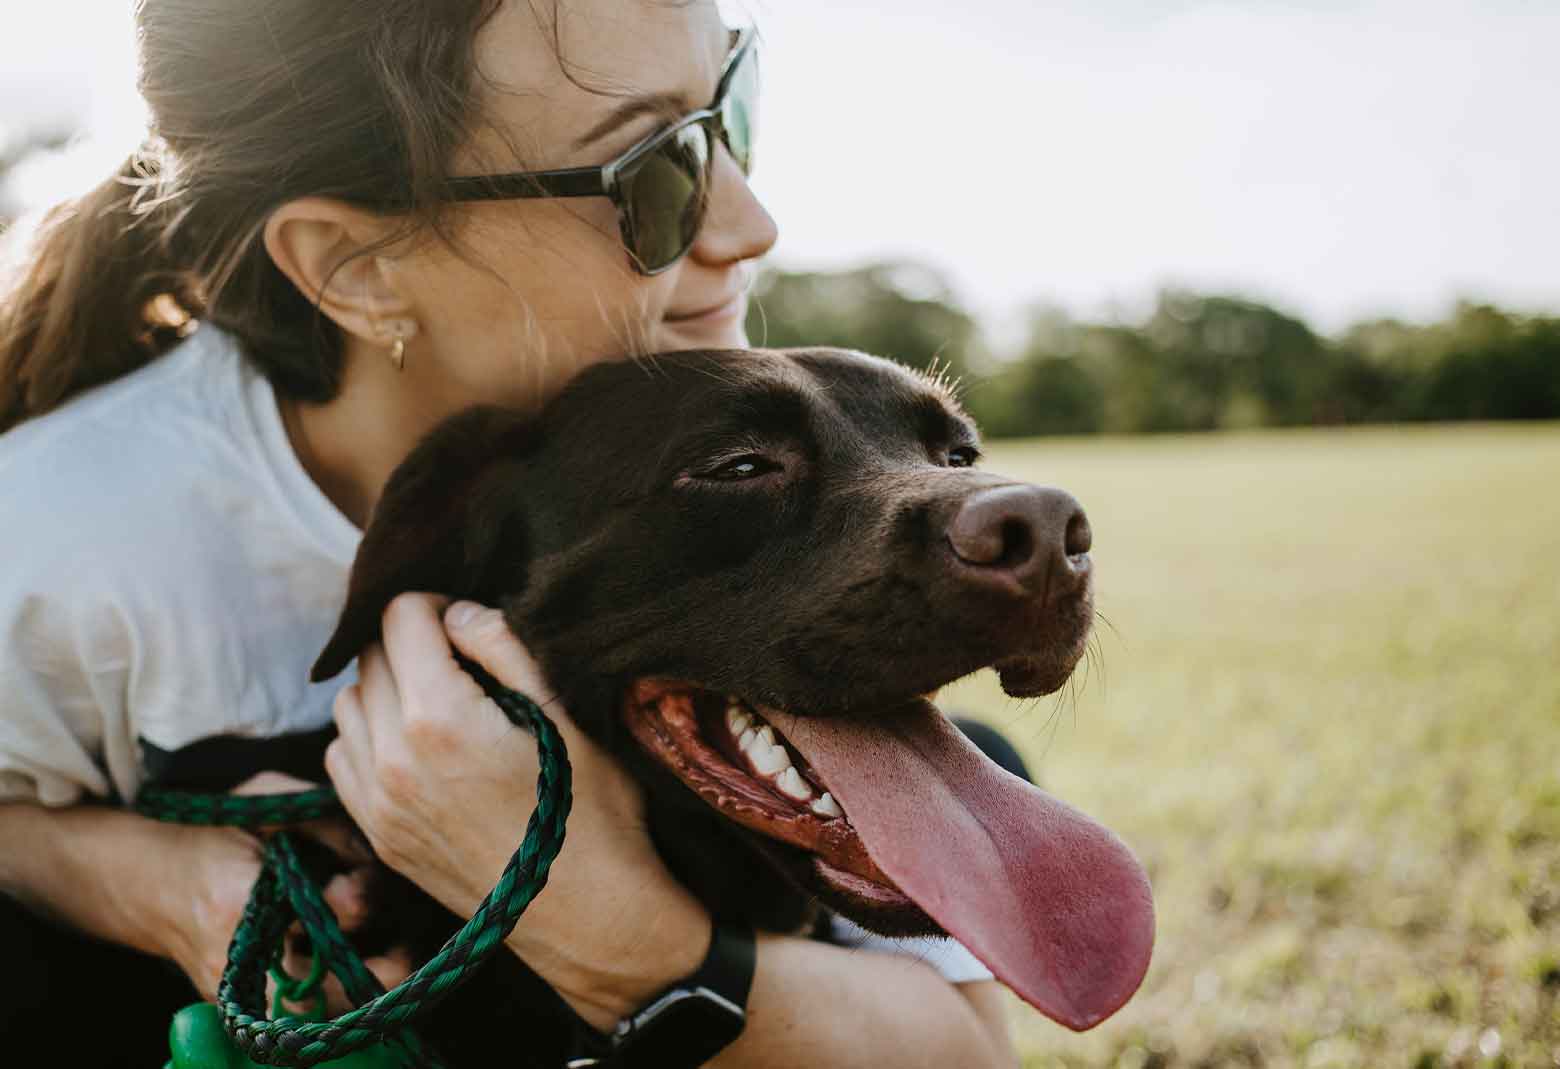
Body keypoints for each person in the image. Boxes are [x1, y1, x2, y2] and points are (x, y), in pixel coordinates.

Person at [0, 2, 1021, 1066]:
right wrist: (157, 882)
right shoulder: (58, 539)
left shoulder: (723, 447)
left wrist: (596, 916)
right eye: (650, 170)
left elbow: (964, 1054)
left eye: (732, 109)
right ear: (356, 268)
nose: (750, 222)